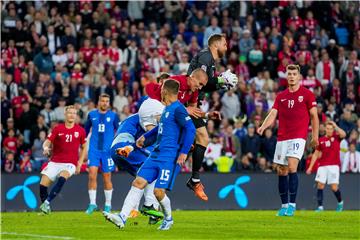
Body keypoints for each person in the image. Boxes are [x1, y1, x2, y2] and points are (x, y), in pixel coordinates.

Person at [103, 79, 196, 230]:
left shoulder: (178, 109)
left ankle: (168, 219)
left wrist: (184, 152)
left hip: (168, 158)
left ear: (165, 91)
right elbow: (158, 130)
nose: (159, 91)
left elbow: (190, 129)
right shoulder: (166, 110)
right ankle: (122, 217)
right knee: (138, 183)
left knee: (158, 192)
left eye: (161, 89)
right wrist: (140, 141)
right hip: (155, 156)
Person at [257, 64, 319, 217]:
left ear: (299, 77)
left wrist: (315, 136)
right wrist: (263, 126)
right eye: (289, 74)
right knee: (281, 171)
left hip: (298, 136)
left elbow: (314, 117)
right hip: (283, 137)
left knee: (292, 167)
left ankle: (292, 205)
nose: (291, 76)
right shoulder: (281, 96)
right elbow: (273, 114)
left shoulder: (307, 94)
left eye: (294, 74)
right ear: (286, 76)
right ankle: (284, 205)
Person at [186, 33, 238, 200]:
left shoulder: (209, 60)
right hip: (188, 105)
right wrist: (220, 81)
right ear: (216, 45)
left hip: (194, 104)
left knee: (195, 141)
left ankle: (193, 177)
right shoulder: (205, 57)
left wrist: (220, 83)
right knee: (202, 137)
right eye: (224, 44)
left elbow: (204, 86)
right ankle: (194, 180)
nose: (226, 47)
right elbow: (199, 81)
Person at [110, 98, 165, 224]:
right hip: (124, 147)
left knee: (142, 178)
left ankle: (123, 216)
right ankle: (150, 205)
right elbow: (149, 135)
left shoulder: (137, 117)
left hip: (115, 151)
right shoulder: (146, 117)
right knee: (153, 169)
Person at [39, 105, 87, 214]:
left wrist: (79, 164)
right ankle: (46, 208)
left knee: (62, 177)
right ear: (65, 114)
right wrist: (46, 148)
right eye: (69, 113)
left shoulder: (80, 131)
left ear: (76, 116)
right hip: (55, 161)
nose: (72, 115)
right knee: (43, 185)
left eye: (74, 113)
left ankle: (46, 203)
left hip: (70, 163)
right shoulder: (57, 128)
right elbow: (47, 141)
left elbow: (84, 147)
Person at [84, 93, 120, 214]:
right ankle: (92, 203)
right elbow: (85, 131)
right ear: (98, 102)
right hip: (94, 150)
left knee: (107, 177)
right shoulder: (91, 115)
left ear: (108, 103)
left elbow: (119, 131)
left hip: (107, 152)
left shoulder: (114, 116)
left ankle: (108, 205)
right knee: (92, 175)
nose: (104, 103)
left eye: (106, 101)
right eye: (102, 101)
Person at [306, 121, 346, 211]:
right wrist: (310, 167)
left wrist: (336, 126)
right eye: (327, 128)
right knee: (320, 185)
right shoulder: (321, 140)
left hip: (334, 166)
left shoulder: (337, 137)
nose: (329, 130)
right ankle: (320, 207)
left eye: (331, 129)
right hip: (322, 166)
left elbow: (344, 134)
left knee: (334, 187)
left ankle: (340, 202)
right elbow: (315, 154)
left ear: (333, 130)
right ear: (325, 129)